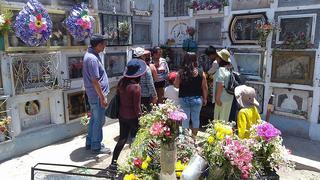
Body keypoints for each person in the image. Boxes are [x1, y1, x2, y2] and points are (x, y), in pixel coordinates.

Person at [107, 58, 147, 172]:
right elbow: (137, 107)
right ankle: (138, 163)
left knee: (122, 139)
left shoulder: (121, 83)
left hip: (122, 116)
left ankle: (113, 164)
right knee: (139, 139)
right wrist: (141, 119)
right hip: (132, 117)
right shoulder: (136, 87)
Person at [83, 34, 111, 154]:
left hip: (94, 95)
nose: (105, 46)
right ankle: (96, 145)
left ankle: (90, 142)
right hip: (97, 95)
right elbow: (95, 80)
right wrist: (102, 97)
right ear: (99, 45)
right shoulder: (92, 59)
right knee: (99, 121)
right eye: (104, 44)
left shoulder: (91, 55)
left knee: (94, 119)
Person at [174, 52, 208, 137]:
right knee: (195, 119)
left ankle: (185, 140)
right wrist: (205, 98)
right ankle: (194, 139)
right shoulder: (201, 72)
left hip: (184, 99)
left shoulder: (181, 72)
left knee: (185, 120)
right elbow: (204, 87)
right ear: (195, 60)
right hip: (197, 99)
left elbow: (176, 85)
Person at [133, 47, 157, 111]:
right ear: (143, 56)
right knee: (145, 115)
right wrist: (154, 96)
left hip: (132, 94)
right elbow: (150, 83)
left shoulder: (130, 66)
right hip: (145, 96)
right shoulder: (145, 67)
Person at [213, 49, 234, 122]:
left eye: (218, 57)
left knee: (218, 119)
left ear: (221, 59)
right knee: (225, 118)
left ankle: (219, 133)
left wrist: (217, 98)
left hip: (221, 97)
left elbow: (220, 85)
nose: (216, 58)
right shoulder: (229, 69)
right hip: (229, 97)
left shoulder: (221, 70)